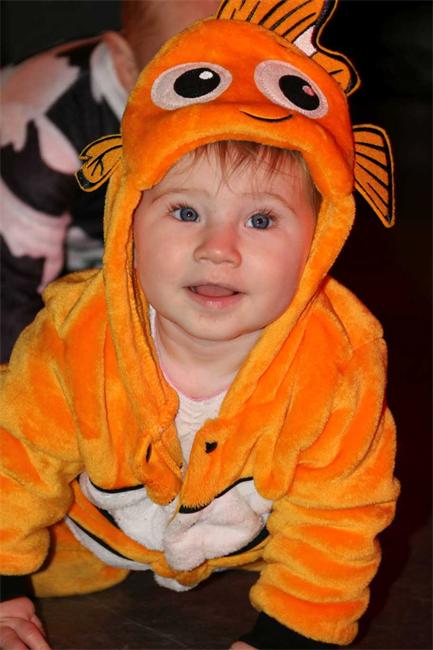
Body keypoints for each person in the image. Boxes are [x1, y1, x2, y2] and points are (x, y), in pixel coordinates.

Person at [0, 0, 400, 648]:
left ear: (319, 238)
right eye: (184, 212)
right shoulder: (75, 335)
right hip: (87, 530)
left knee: (310, 549)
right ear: (129, 213)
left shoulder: (339, 366)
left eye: (262, 220)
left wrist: (288, 636)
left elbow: (339, 518)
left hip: (247, 545)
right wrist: (5, 593)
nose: (219, 249)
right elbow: (14, 459)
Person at [0, 0, 220, 362]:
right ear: (126, 64)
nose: (227, 98)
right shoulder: (47, 129)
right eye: (191, 75)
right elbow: (10, 307)